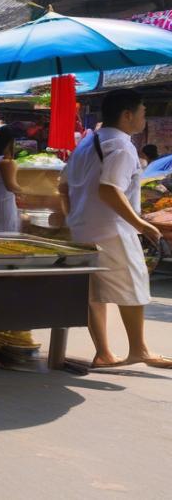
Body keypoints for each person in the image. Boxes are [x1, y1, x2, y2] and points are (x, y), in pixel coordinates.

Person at [59, 89, 172, 369]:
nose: (145, 118)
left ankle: (104, 353)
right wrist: (142, 224)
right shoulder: (122, 146)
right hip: (112, 230)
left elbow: (63, 186)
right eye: (144, 112)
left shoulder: (87, 143)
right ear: (127, 115)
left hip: (83, 229)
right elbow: (110, 190)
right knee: (134, 287)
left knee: (93, 293)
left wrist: (73, 216)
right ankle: (139, 350)